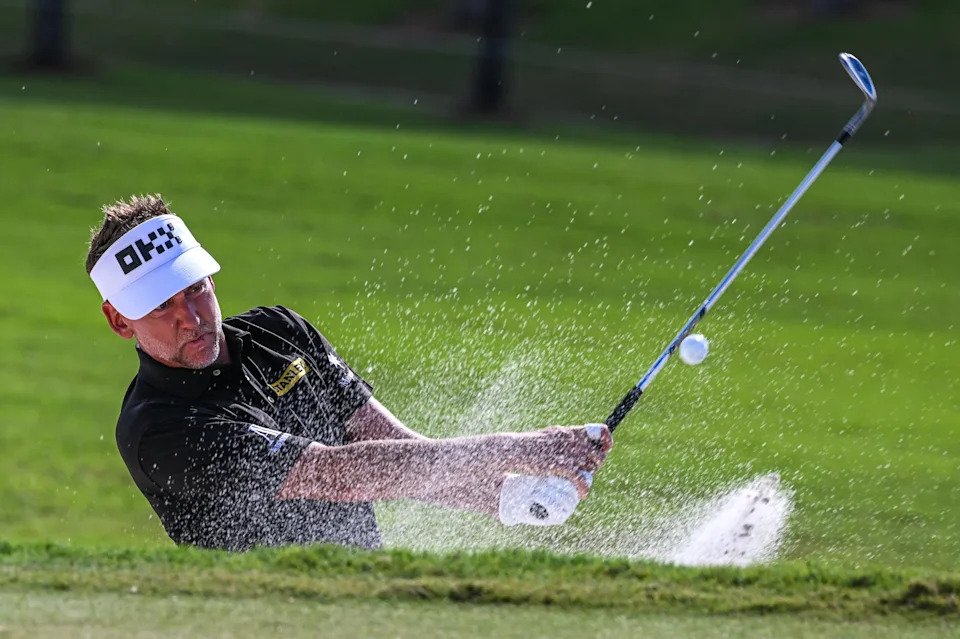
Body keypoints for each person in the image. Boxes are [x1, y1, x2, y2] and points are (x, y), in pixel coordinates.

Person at [86, 194, 611, 551]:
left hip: (364, 596)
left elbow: (396, 450)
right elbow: (339, 473)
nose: (192, 317)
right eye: (161, 305)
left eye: (196, 288)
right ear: (118, 321)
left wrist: (508, 497)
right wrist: (522, 448)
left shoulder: (280, 331)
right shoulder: (158, 429)